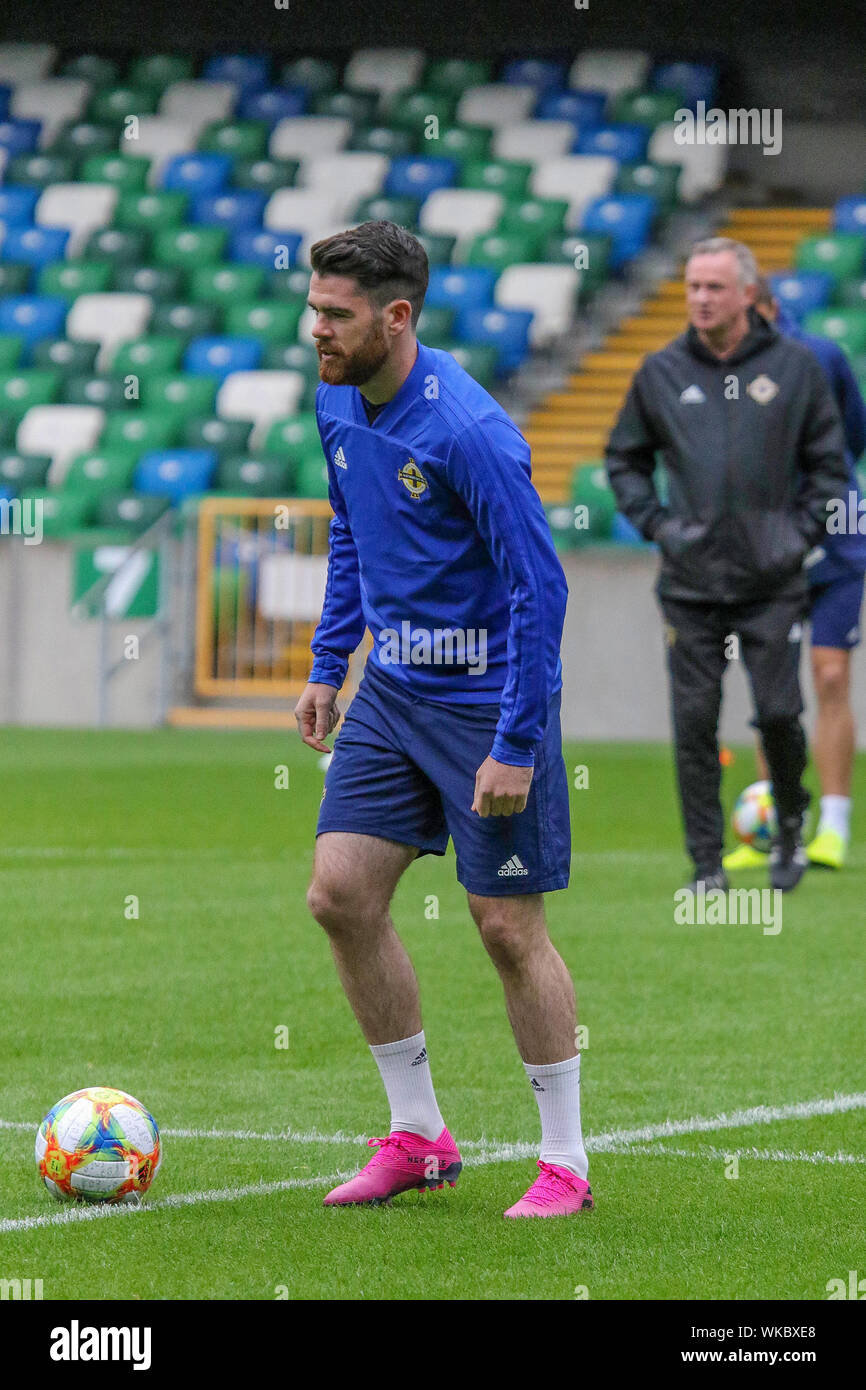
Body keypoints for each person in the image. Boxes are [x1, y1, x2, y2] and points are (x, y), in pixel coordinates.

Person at [294, 221, 592, 1219]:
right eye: (312, 309)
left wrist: (514, 741)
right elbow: (351, 530)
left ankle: (564, 1162)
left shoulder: (467, 430)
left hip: (484, 704)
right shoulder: (338, 398)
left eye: (334, 315)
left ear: (396, 316)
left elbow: (537, 590)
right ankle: (417, 1134)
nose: (314, 330)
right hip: (392, 698)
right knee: (339, 895)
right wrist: (330, 663)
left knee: (504, 925)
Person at [605, 237, 849, 893]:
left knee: (778, 714)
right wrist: (658, 525)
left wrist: (794, 536)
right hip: (689, 586)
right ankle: (707, 865)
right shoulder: (659, 371)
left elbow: (832, 470)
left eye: (714, 287)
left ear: (748, 294)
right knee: (693, 723)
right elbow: (623, 459)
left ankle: (790, 831)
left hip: (773, 583)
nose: (700, 299)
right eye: (692, 287)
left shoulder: (797, 369)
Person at [723, 277, 866, 872]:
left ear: (768, 308)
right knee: (772, 689)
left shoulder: (821, 357)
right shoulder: (723, 372)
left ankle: (832, 823)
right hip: (768, 548)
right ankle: (782, 824)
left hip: (835, 543)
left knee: (830, 675)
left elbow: (856, 434)